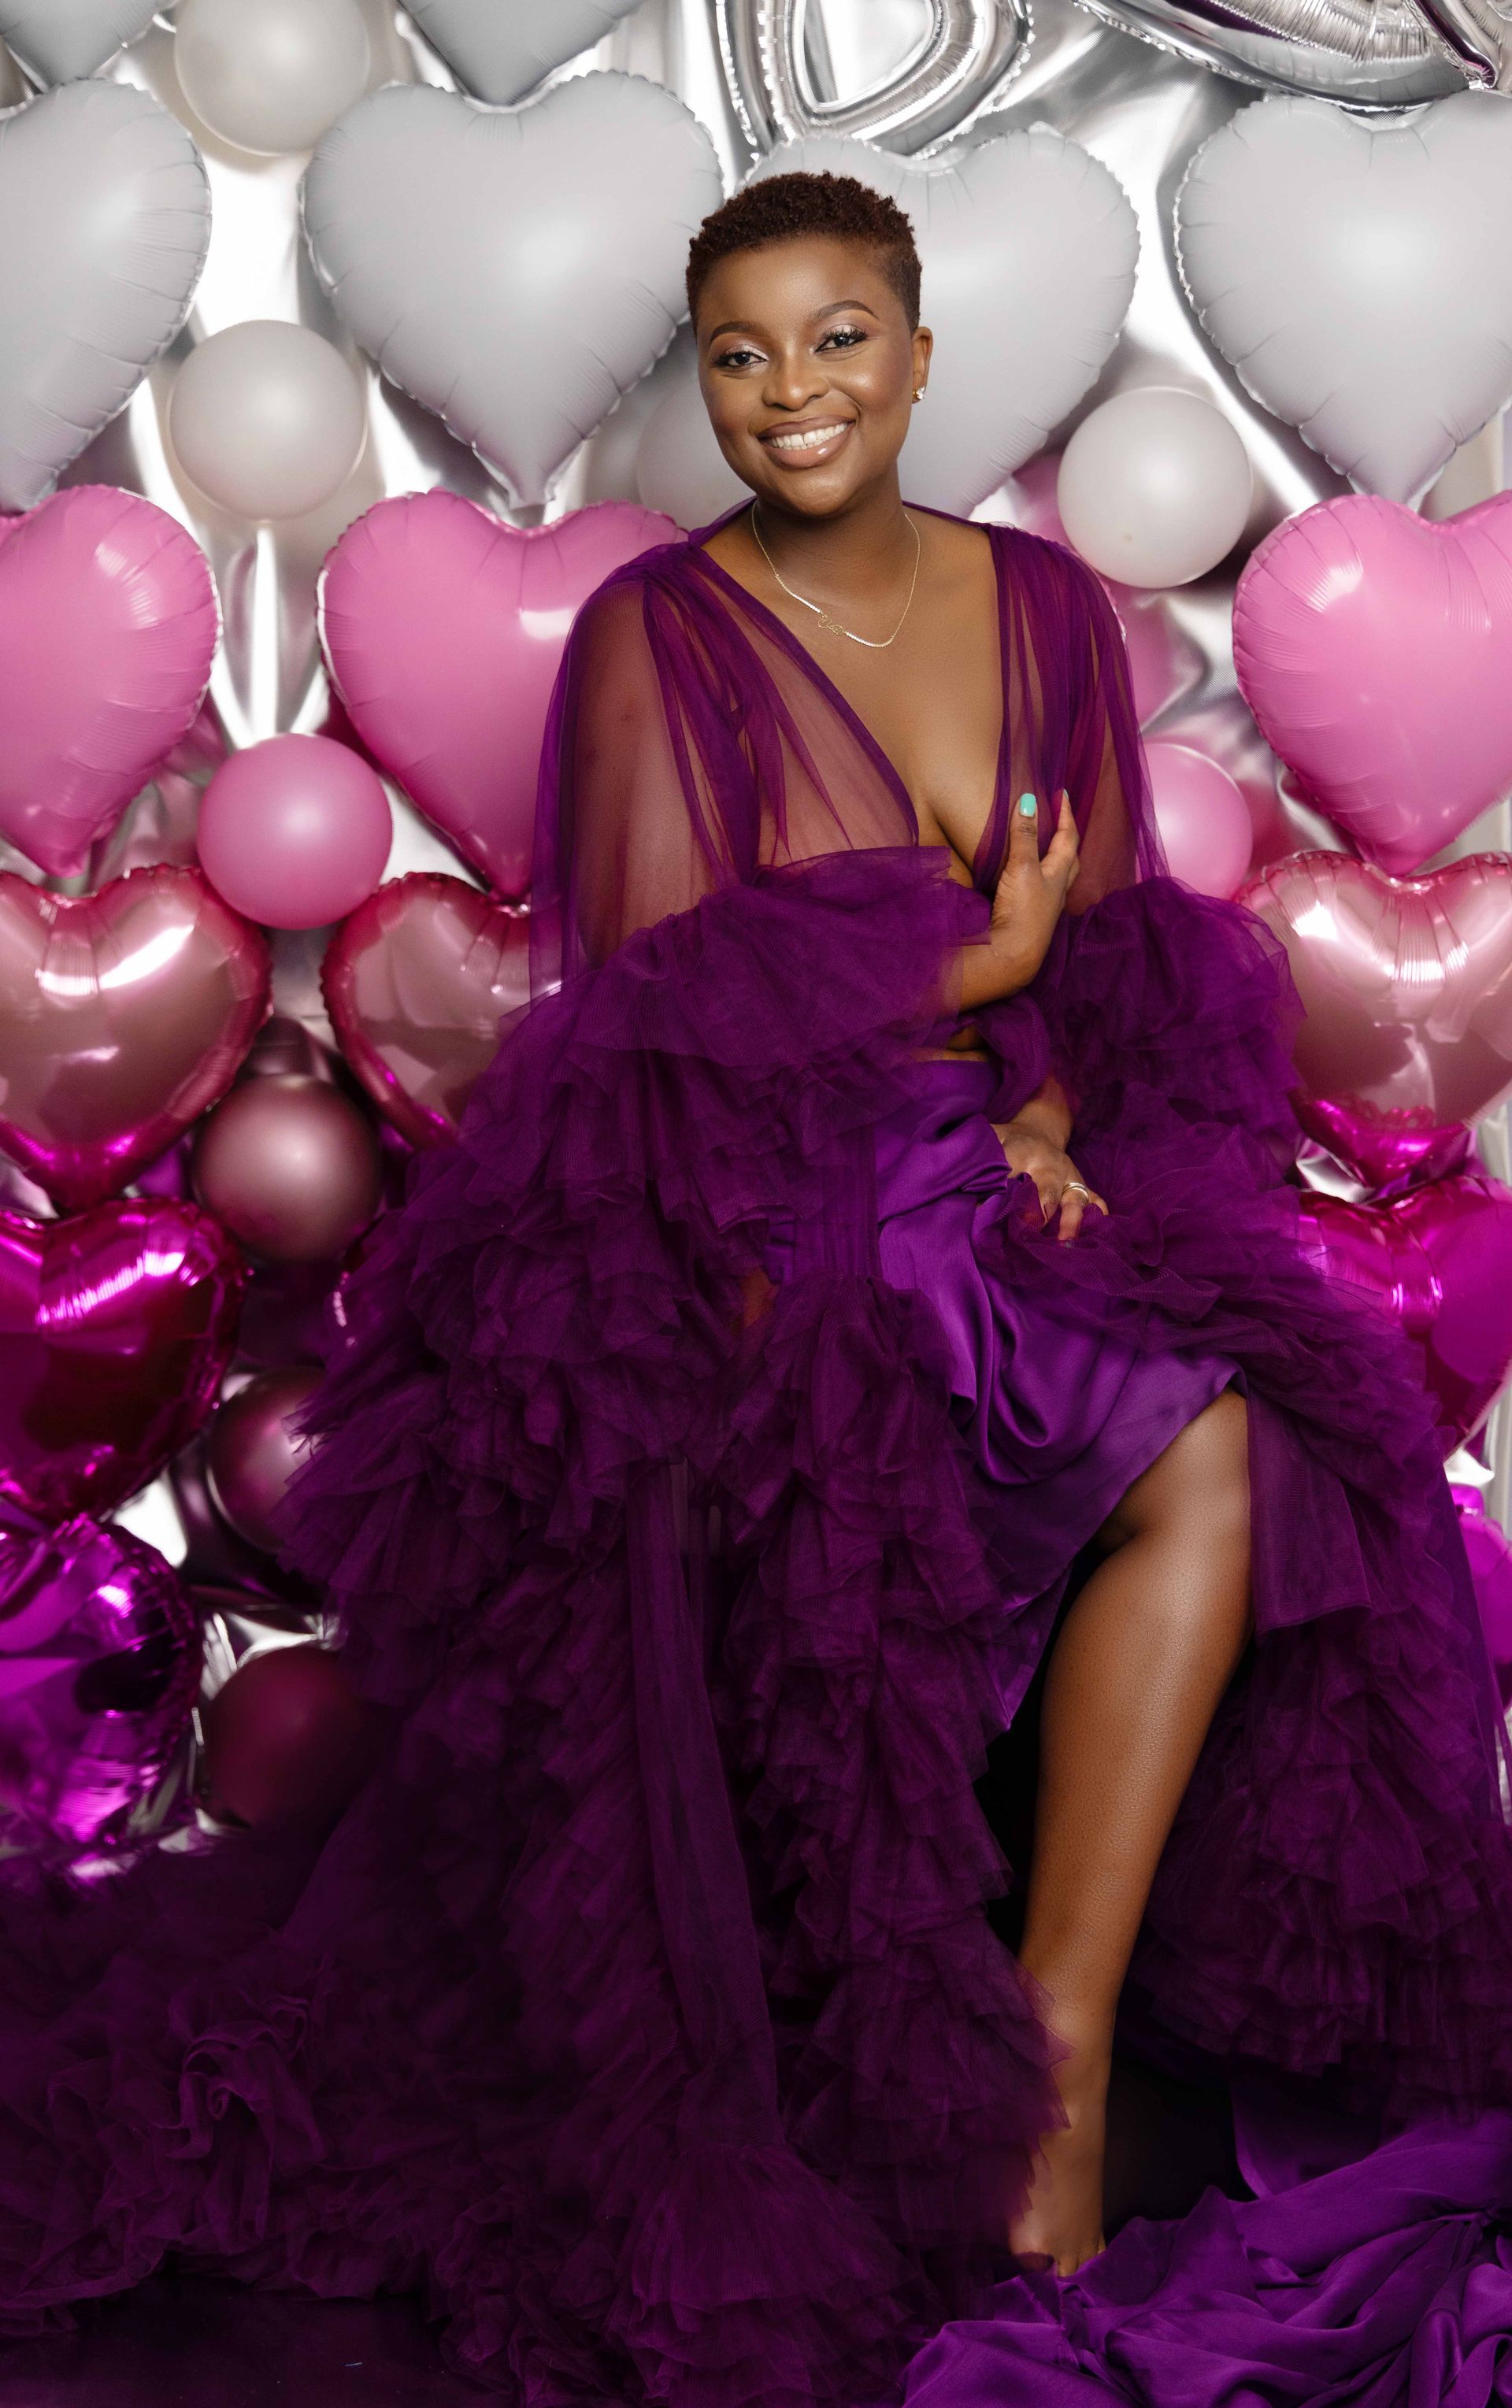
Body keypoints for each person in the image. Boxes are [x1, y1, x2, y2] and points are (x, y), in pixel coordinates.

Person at [0, 169, 1510, 2408]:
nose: (787, 395)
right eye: (739, 357)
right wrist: (973, 947)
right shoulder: (661, 636)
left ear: (914, 359)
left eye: (832, 344)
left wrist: (1057, 1104)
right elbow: (667, 1008)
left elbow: (1095, 958)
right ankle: (929, 2038)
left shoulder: (1038, 611)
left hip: (977, 1164)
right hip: (742, 1190)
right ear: (702, 388)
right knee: (845, 1423)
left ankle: (1062, 2055)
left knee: (1238, 1439)